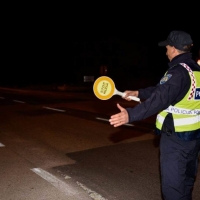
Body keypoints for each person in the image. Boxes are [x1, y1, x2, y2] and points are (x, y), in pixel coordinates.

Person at [109, 30, 200, 200]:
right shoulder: (195, 71)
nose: (166, 49)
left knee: (173, 189)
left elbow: (160, 99)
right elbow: (165, 91)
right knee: (186, 184)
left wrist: (130, 115)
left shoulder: (177, 72)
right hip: (193, 139)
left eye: (167, 46)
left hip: (175, 139)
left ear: (173, 48)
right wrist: (139, 92)